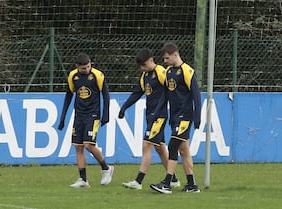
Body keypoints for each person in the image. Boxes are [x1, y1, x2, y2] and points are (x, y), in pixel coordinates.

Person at [118, 48, 180, 190]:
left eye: (144, 65)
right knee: (160, 148)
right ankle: (174, 179)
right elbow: (136, 93)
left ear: (151, 60)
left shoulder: (161, 72)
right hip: (150, 116)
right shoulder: (145, 76)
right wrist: (124, 107)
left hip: (159, 117)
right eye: (141, 66)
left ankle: (138, 181)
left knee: (147, 145)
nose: (142, 68)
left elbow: (171, 90)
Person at [150, 42, 201, 194]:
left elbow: (196, 96)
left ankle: (167, 183)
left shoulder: (187, 71)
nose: (165, 61)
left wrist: (197, 116)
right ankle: (192, 185)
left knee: (172, 146)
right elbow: (165, 95)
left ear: (175, 55)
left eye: (167, 58)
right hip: (174, 116)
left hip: (184, 116)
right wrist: (156, 113)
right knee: (184, 150)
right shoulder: (168, 72)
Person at [58, 52, 114, 188]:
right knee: (78, 146)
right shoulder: (73, 76)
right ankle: (83, 179)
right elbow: (68, 96)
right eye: (84, 68)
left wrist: (105, 114)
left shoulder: (97, 76)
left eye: (88, 67)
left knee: (89, 145)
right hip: (79, 115)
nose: (87, 70)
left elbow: (106, 96)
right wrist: (63, 117)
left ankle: (106, 168)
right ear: (78, 67)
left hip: (93, 115)